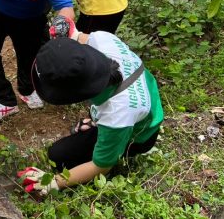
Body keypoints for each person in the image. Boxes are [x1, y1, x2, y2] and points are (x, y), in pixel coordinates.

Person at [16, 32, 163, 195]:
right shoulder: (103, 40)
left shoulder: (117, 115)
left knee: (58, 157)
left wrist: (55, 182)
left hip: (140, 134)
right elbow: (79, 37)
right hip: (140, 106)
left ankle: (123, 146)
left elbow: (101, 166)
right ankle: (94, 124)